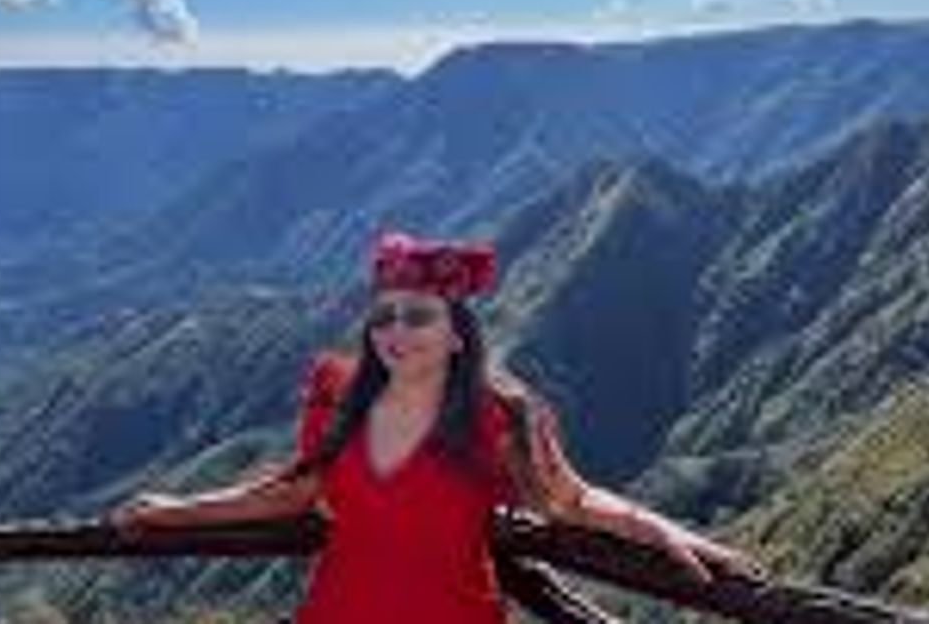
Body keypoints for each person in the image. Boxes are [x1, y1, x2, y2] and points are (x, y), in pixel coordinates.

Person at [109, 230, 762, 623]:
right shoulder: (336, 397)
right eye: (385, 316)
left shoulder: (496, 417)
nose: (396, 332)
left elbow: (570, 501)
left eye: (418, 317)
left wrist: (664, 530)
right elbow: (288, 493)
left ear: (457, 336)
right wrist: (177, 510)